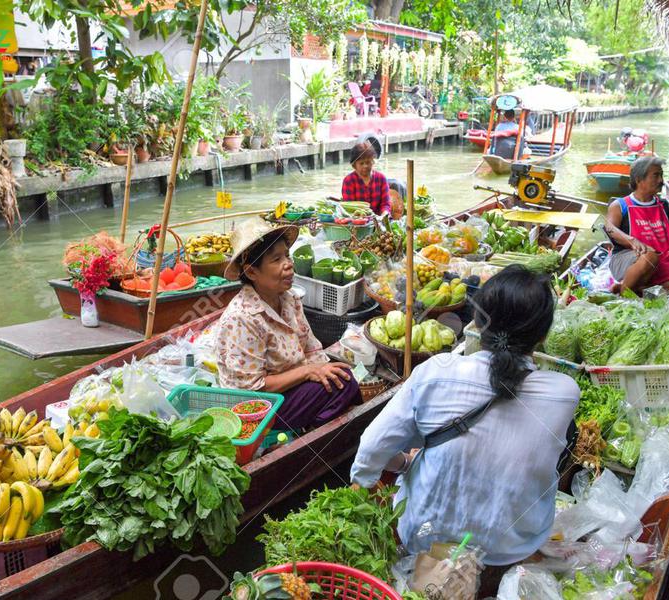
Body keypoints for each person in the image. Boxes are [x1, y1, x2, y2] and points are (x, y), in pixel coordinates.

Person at [351, 266, 579, 570]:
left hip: (425, 538)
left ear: (477, 321)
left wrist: (387, 473)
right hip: (509, 550)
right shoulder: (564, 393)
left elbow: (372, 447)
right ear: (541, 336)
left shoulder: (436, 372)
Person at [216, 217, 362, 430]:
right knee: (343, 384)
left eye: (287, 255)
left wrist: (323, 368)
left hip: (292, 386)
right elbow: (252, 390)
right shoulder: (243, 318)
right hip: (259, 407)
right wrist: (308, 372)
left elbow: (311, 347)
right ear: (252, 272)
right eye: (276, 260)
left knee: (341, 376)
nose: (289, 264)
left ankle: (318, 427)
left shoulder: (289, 298)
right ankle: (307, 432)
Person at [605, 156, 669, 295]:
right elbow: (610, 228)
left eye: (661, 175)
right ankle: (623, 294)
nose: (661, 180)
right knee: (649, 257)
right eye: (656, 175)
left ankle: (634, 289)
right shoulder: (620, 205)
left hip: (662, 261)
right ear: (639, 179)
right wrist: (631, 241)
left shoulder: (665, 206)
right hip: (629, 260)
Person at [341, 142, 391, 216]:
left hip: (378, 219)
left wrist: (384, 215)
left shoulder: (381, 178)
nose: (365, 166)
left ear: (373, 162)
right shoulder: (348, 181)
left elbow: (385, 204)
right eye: (361, 163)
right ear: (354, 165)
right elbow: (349, 207)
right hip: (357, 220)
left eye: (368, 162)